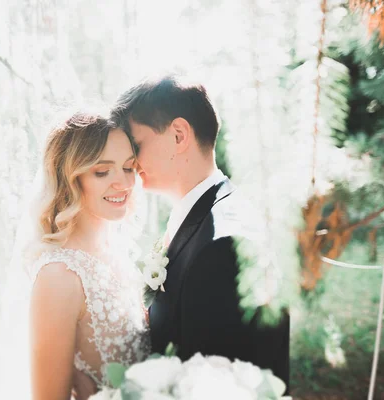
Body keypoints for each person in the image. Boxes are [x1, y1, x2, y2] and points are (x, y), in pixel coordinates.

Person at [110, 76, 290, 390]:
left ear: (178, 135)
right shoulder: (205, 213)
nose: (129, 161)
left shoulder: (222, 245)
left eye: (135, 145)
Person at [28, 113, 150, 400]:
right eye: (102, 171)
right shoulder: (58, 276)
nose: (123, 183)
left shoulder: (118, 256)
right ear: (70, 177)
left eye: (129, 168)